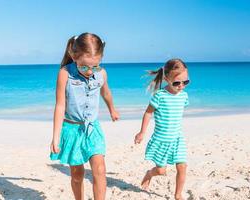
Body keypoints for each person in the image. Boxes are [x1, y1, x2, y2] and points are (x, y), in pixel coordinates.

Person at [50, 32, 119, 200]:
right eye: (84, 67)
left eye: (94, 66)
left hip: (92, 128)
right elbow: (60, 106)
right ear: (74, 56)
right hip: (72, 129)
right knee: (77, 175)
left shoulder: (101, 73)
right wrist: (55, 137)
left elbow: (106, 92)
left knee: (100, 170)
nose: (89, 71)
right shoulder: (65, 73)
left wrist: (112, 109)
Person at [134, 58, 190, 200]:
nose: (181, 86)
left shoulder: (184, 96)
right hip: (161, 140)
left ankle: (178, 195)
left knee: (182, 166)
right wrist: (142, 132)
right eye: (177, 82)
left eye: (186, 82)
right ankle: (149, 174)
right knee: (161, 170)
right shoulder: (159, 96)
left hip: (177, 139)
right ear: (166, 79)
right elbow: (148, 112)